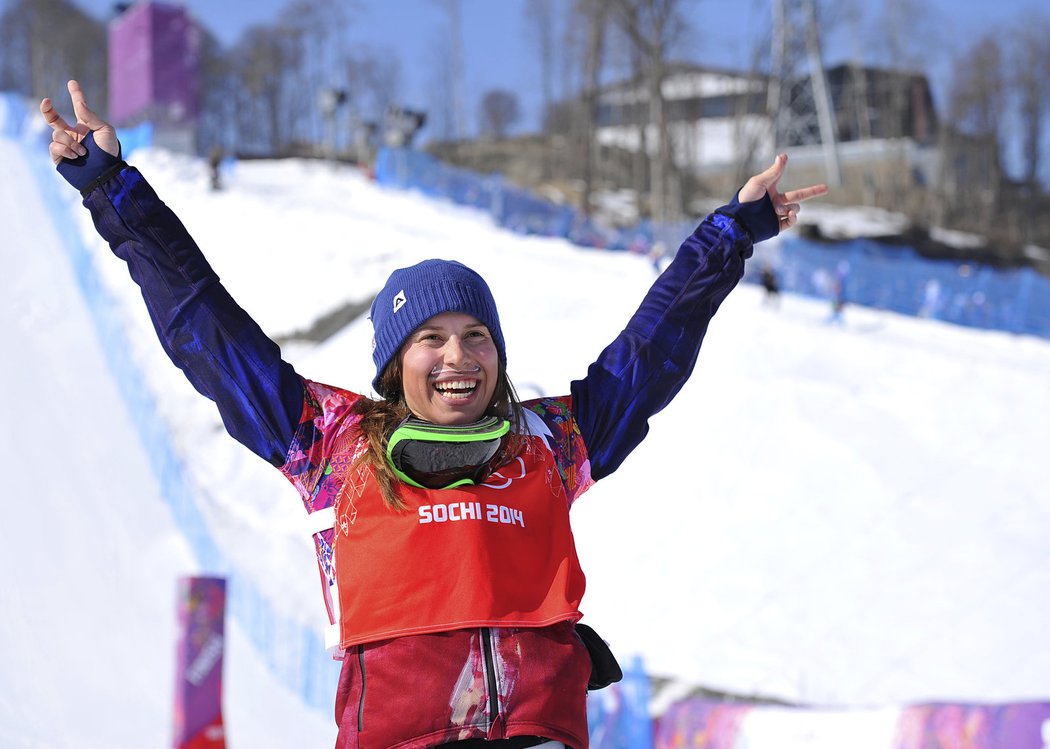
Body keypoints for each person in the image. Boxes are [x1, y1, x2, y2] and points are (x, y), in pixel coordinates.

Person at [41, 80, 827, 749]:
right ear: (394, 364)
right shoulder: (330, 445)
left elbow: (649, 355)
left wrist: (727, 236)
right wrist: (116, 193)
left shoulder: (549, 443)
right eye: (432, 339)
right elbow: (203, 326)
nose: (458, 357)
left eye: (475, 336)